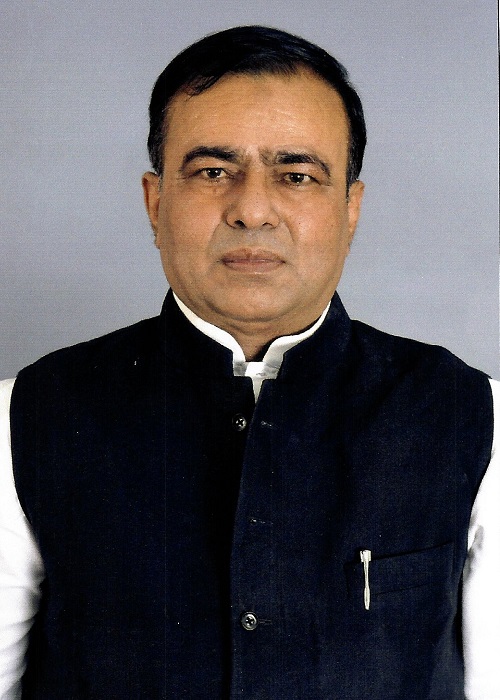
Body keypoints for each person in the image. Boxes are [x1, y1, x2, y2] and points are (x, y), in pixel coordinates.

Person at [0, 25, 498, 699]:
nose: (253, 209)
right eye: (213, 172)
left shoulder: (472, 415)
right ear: (155, 202)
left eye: (296, 176)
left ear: (350, 209)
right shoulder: (25, 416)